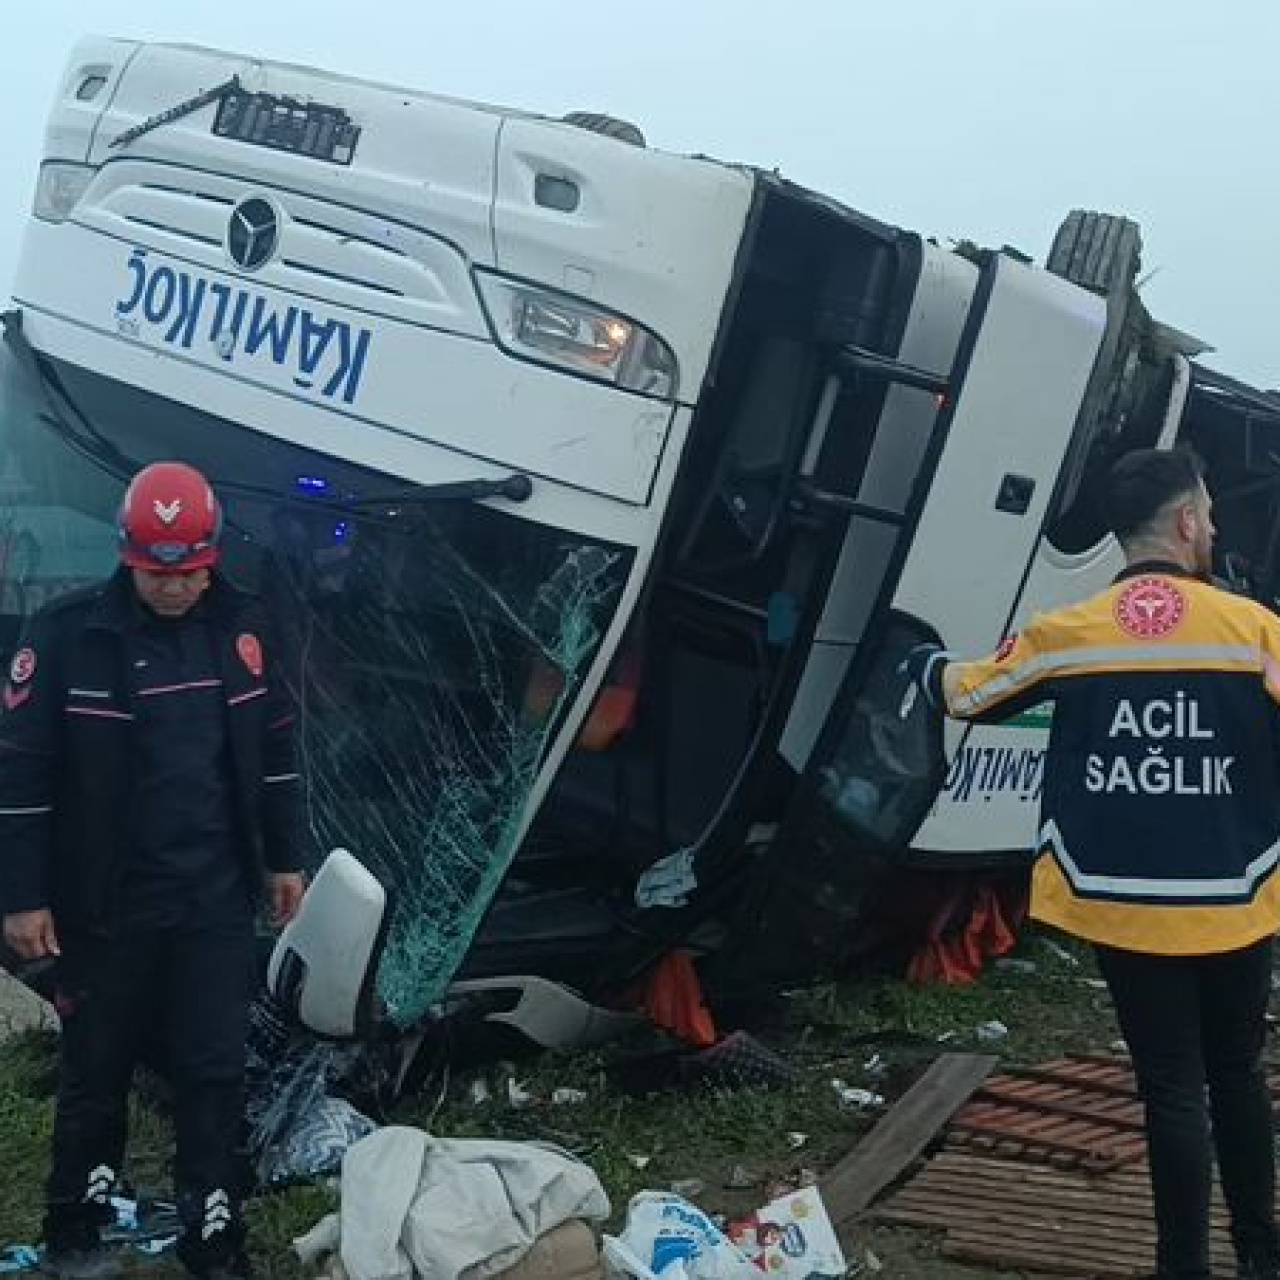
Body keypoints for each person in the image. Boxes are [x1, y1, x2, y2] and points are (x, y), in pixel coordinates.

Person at [904, 447, 1280, 1280]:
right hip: (1237, 896)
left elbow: (965, 692)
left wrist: (916, 663)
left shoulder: (1068, 634)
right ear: (1186, 523)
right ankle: (1262, 1258)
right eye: (1209, 514)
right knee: (1237, 1074)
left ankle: (1181, 1269)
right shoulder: (1255, 633)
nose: (1213, 527)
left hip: (1120, 901)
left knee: (1172, 1088)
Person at [0, 462, 306, 1280]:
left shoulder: (245, 631)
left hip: (213, 897)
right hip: (103, 904)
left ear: (211, 558)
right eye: (157, 573)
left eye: (189, 572)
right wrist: (21, 898)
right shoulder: (66, 637)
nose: (174, 588)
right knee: (96, 1067)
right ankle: (77, 1224)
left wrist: (286, 860)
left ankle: (214, 1234)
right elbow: (20, 778)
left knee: (214, 1066)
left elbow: (276, 754)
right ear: (129, 557)